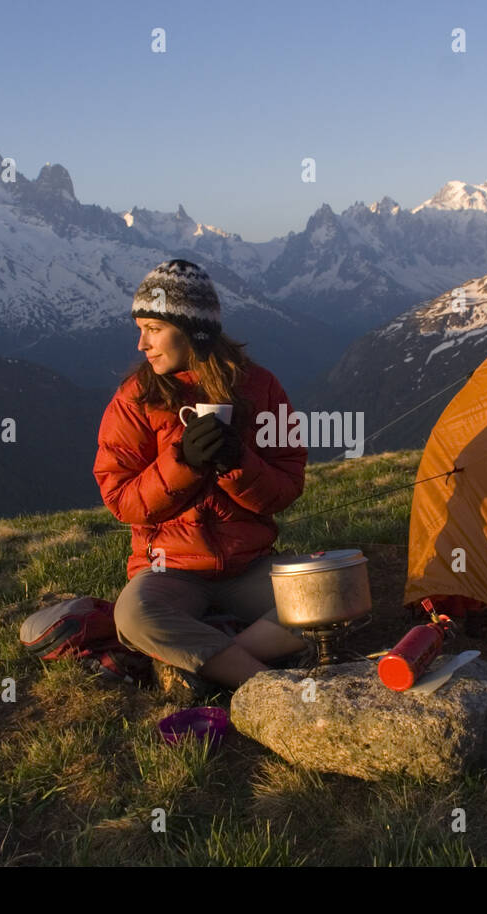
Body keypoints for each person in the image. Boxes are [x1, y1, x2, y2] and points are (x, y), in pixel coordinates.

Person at [94, 259, 310, 691]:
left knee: (335, 591)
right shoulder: (135, 398)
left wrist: (238, 464)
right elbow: (121, 500)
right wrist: (183, 463)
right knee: (134, 615)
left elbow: (286, 488)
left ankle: (201, 659)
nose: (141, 344)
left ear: (194, 330)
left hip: (249, 567)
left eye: (152, 329)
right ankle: (268, 687)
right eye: (140, 329)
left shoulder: (261, 387)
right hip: (168, 570)